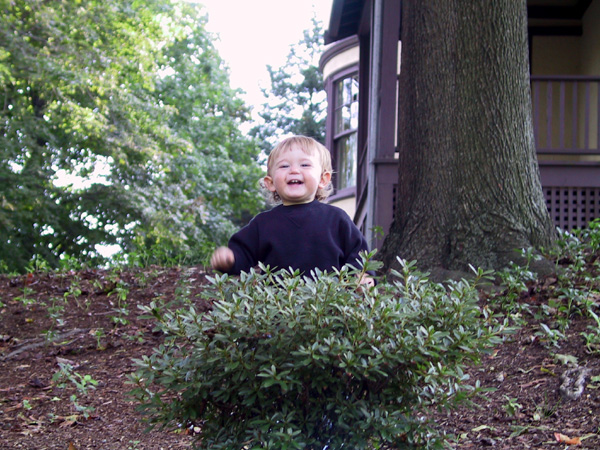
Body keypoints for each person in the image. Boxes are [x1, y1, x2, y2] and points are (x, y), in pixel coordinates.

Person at [210, 135, 373, 284]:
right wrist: (230, 259)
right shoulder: (263, 223)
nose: (294, 170)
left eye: (305, 164)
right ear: (270, 183)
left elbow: (357, 252)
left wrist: (362, 277)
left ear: (323, 179)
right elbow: (244, 253)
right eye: (284, 166)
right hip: (279, 303)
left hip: (327, 302)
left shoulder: (336, 218)